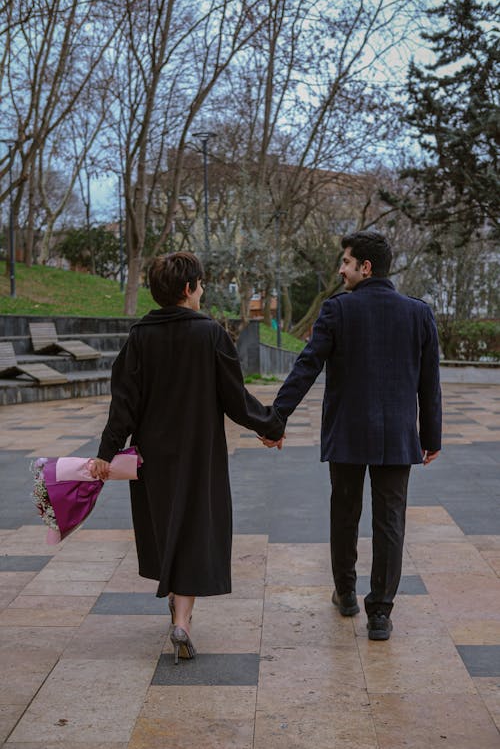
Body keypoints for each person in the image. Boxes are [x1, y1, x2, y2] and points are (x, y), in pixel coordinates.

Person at [91, 252, 283, 663]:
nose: (203, 289)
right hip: (200, 455)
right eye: (200, 283)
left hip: (153, 458)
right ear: (188, 289)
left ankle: (179, 614)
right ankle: (182, 620)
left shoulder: (140, 337)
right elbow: (235, 398)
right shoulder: (211, 334)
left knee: (168, 528)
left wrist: (105, 454)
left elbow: (122, 405)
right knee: (195, 529)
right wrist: (269, 427)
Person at [263, 230, 441, 640]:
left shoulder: (338, 310)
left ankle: (345, 592)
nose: (340, 270)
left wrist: (277, 418)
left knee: (344, 514)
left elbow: (307, 366)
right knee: (390, 521)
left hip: (347, 432)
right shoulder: (418, 313)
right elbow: (430, 383)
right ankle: (380, 612)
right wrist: (431, 436)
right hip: (398, 436)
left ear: (366, 266)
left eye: (345, 262)